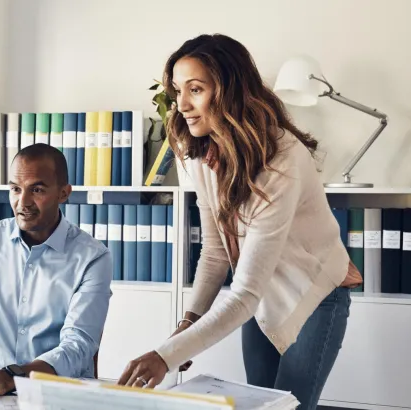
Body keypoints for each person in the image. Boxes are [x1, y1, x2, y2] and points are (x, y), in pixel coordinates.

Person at [117, 34, 360, 410]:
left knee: (290, 406)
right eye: (178, 90)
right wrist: (188, 321)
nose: (181, 104)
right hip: (261, 295)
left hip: (316, 293)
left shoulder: (283, 159)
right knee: (256, 405)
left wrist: (165, 355)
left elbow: (243, 294)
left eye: (195, 89)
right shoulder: (198, 154)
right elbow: (216, 252)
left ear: (230, 89)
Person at [0, 143, 113, 404]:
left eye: (37, 190)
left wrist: (14, 376)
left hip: (58, 395)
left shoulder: (93, 257)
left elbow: (78, 346)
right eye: (15, 189)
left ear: (64, 193)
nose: (22, 203)